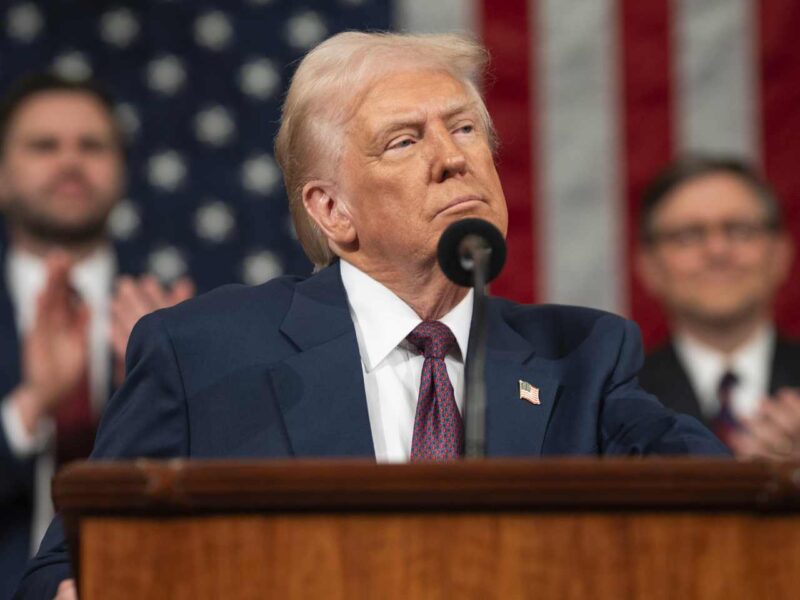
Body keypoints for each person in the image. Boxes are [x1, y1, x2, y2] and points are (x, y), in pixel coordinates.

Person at [15, 32, 725, 599]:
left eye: (468, 130)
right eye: (406, 140)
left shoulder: (585, 357)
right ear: (332, 211)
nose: (454, 160)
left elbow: (719, 504)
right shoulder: (205, 352)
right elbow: (61, 571)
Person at [0, 74, 193, 599]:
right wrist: (31, 405)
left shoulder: (181, 310)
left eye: (91, 146)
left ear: (121, 171)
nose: (70, 162)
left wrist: (171, 386)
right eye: (44, 146)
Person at [636, 155, 799, 459]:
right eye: (689, 235)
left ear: (780, 254)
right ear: (649, 267)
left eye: (739, 230)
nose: (717, 251)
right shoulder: (619, 402)